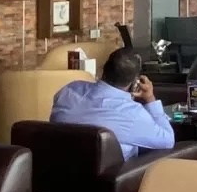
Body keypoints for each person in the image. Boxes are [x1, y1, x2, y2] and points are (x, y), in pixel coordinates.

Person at [48, 48, 176, 155]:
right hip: (116, 175)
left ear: (103, 69)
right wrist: (150, 99)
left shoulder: (69, 91)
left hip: (59, 170)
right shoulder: (132, 114)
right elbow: (168, 140)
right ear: (135, 82)